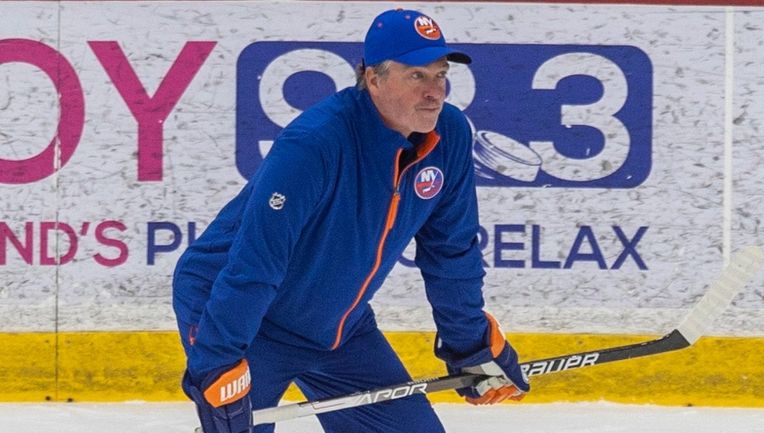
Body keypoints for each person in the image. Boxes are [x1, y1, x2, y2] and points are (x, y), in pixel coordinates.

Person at [172, 8, 530, 433]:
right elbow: (256, 262)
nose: (434, 91)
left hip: (339, 328)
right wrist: (217, 362)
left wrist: (468, 342)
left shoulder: (448, 135)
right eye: (416, 76)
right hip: (246, 318)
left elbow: (450, 251)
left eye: (440, 75)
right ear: (372, 78)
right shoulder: (315, 143)